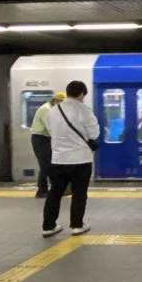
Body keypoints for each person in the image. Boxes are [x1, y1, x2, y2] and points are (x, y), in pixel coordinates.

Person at [42, 81, 100, 237]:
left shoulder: (53, 111)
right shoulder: (84, 111)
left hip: (58, 159)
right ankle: (77, 225)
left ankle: (48, 226)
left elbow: (50, 131)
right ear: (81, 94)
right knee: (79, 193)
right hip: (80, 159)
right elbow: (94, 134)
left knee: (55, 193)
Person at [30, 92, 65, 198]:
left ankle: (51, 189)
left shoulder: (52, 109)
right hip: (40, 138)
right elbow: (50, 127)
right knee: (45, 165)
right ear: (56, 100)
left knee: (48, 164)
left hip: (46, 138)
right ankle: (42, 191)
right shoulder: (46, 109)